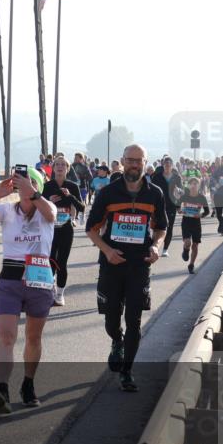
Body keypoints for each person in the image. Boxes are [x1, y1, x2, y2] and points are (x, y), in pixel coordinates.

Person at [0, 166, 57, 413]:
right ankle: (2, 388)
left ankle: (28, 384)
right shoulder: (7, 210)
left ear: (37, 186)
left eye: (30, 181)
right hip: (10, 279)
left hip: (39, 279)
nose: (23, 184)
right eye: (20, 180)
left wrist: (33, 193)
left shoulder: (44, 209)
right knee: (6, 336)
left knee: (33, 337)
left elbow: (52, 214)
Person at [86, 144, 167, 393]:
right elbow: (91, 228)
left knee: (134, 318)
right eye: (130, 160)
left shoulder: (155, 194)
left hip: (139, 265)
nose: (134, 165)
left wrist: (155, 246)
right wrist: (108, 251)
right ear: (122, 161)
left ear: (145, 162)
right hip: (112, 264)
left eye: (138, 161)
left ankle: (127, 371)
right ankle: (116, 340)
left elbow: (161, 228)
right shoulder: (109, 193)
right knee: (112, 319)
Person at [44, 156, 84, 307]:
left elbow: (82, 207)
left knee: (62, 262)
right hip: (50, 228)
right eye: (57, 164)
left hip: (66, 228)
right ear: (53, 168)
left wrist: (70, 196)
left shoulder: (72, 186)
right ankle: (50, 288)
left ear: (67, 169)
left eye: (63, 165)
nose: (60, 167)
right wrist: (49, 202)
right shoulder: (48, 186)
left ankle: (60, 294)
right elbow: (38, 206)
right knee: (50, 261)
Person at [151, 156, 183, 256]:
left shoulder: (177, 177)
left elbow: (181, 191)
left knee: (169, 227)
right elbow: (152, 190)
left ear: (172, 166)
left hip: (172, 205)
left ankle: (165, 249)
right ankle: (154, 246)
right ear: (163, 165)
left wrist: (179, 203)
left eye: (169, 165)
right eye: (166, 164)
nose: (167, 166)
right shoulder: (157, 177)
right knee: (157, 227)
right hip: (159, 205)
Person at [178, 177, 212, 274]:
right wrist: (179, 210)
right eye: (191, 184)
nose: (193, 186)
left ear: (198, 185)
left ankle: (191, 264)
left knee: (195, 245)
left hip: (196, 223)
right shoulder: (185, 196)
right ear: (189, 185)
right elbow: (177, 205)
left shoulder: (202, 197)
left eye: (195, 184)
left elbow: (207, 211)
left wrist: (200, 215)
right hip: (186, 222)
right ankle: (185, 250)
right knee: (188, 242)